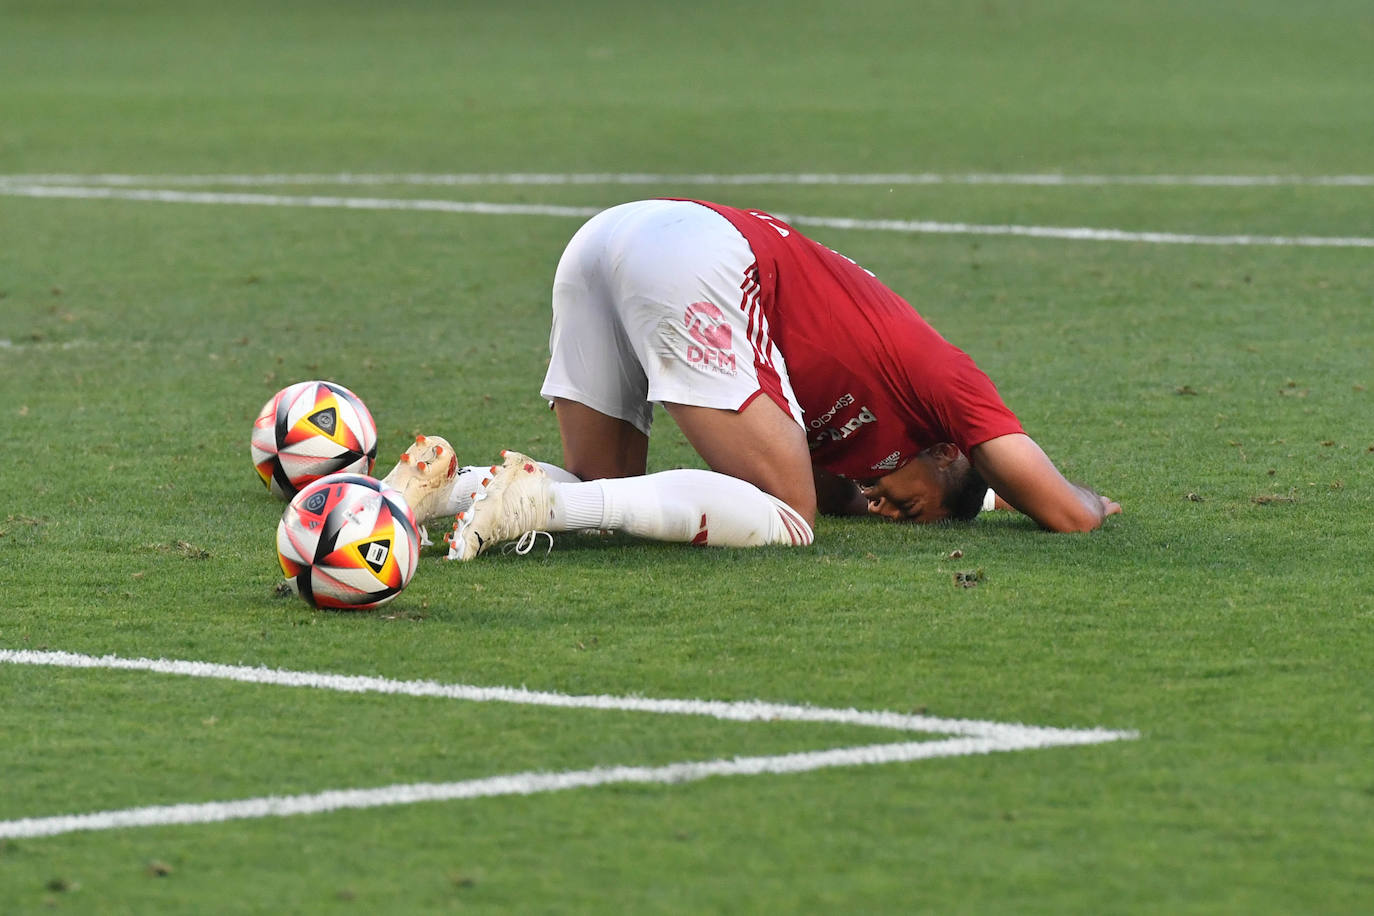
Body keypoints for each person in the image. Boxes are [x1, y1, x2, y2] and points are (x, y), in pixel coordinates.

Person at [381, 199, 1121, 560]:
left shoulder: (873, 469)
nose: (890, 516)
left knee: (601, 482)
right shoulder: (946, 381)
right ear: (950, 452)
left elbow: (852, 492)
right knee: (790, 517)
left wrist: (970, 502)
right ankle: (535, 507)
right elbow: (1068, 515)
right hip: (696, 253)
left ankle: (426, 489)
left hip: (608, 239)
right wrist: (1092, 499)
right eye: (916, 511)